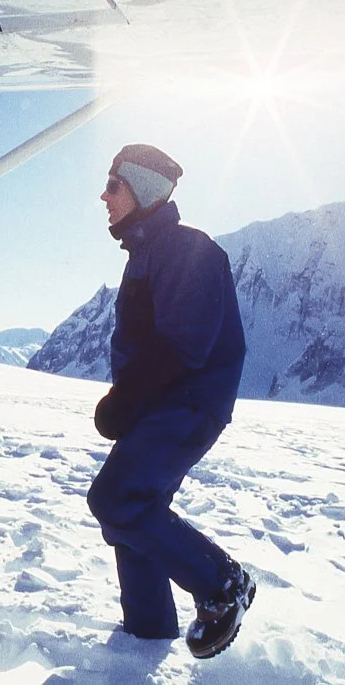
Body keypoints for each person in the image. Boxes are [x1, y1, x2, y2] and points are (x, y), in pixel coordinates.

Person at [85, 144, 253, 659]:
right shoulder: (147, 252)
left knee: (116, 499)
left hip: (187, 401)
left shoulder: (186, 248)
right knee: (135, 514)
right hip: (162, 402)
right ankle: (147, 635)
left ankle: (223, 586)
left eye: (114, 185)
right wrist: (130, 399)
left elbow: (186, 344)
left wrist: (126, 398)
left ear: (144, 189)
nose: (104, 195)